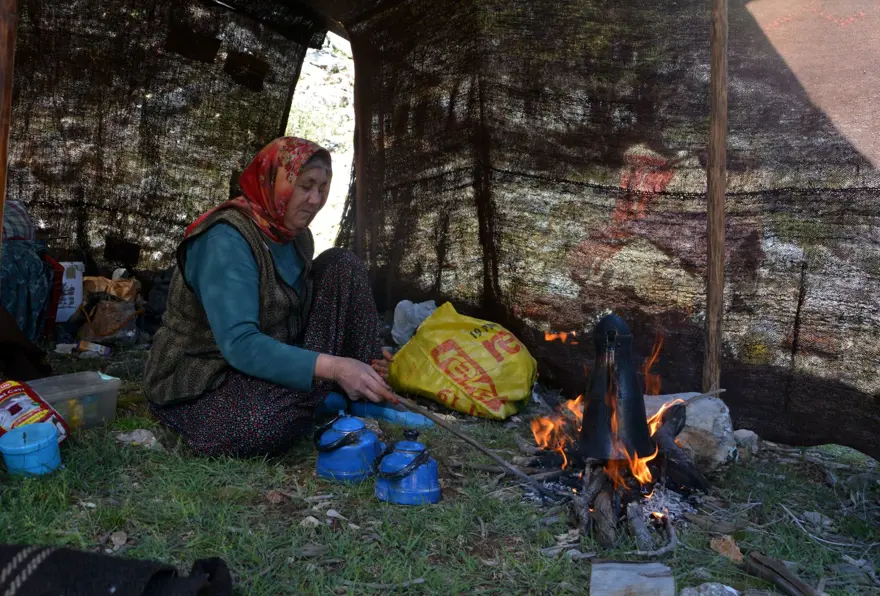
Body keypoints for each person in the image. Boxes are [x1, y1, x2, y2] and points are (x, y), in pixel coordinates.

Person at [143, 137, 397, 457]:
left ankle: (367, 393)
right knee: (263, 422)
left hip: (263, 368)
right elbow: (240, 344)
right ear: (274, 181)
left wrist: (359, 353)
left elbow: (294, 311)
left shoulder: (295, 236)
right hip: (204, 379)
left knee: (342, 265)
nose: (315, 200)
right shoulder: (225, 239)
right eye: (305, 186)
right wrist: (335, 368)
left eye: (323, 187)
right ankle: (324, 395)